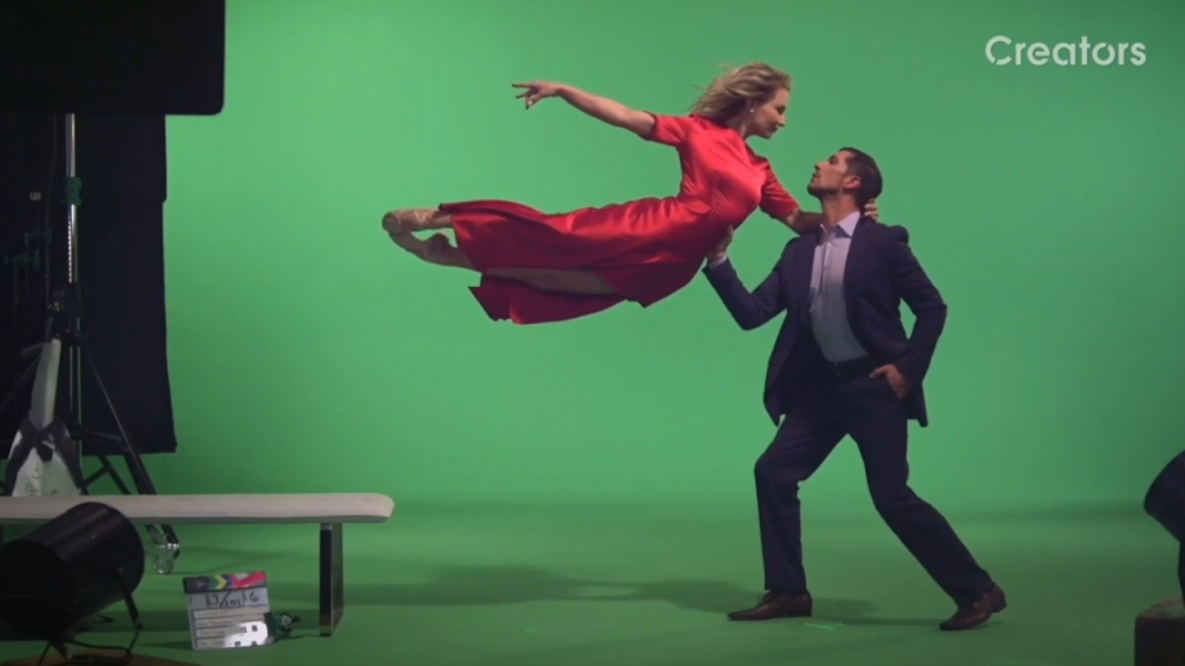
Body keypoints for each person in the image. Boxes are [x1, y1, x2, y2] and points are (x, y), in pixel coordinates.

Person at [702, 147, 1004, 631]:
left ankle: (978, 590)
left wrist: (908, 368)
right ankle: (789, 591)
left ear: (853, 183)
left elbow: (933, 308)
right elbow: (752, 314)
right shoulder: (799, 251)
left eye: (832, 161)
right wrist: (718, 260)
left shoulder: (883, 243)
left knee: (891, 497)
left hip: (874, 388)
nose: (818, 164)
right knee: (773, 473)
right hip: (822, 389)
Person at [380, 63, 879, 325]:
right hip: (649, 227)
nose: (784, 121)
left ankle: (445, 257)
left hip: (671, 266)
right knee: (552, 236)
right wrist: (564, 90)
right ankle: (441, 219)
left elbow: (797, 221)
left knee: (560, 283)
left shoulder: (760, 169)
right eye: (780, 109)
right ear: (753, 103)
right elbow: (624, 116)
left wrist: (854, 212)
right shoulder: (697, 131)